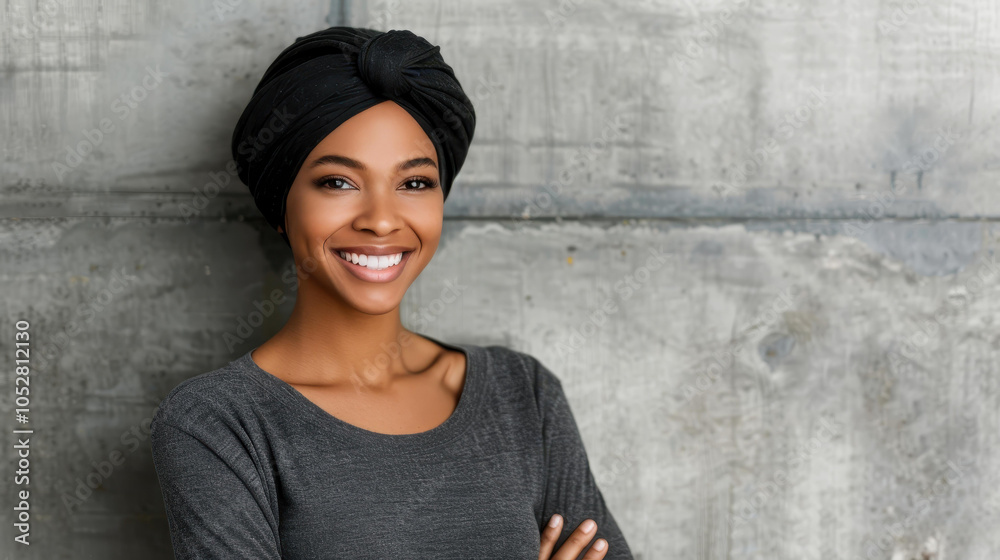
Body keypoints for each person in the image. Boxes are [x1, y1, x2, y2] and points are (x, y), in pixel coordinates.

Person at [149, 26, 634, 559]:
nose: (381, 220)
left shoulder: (524, 394)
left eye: (415, 183)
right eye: (338, 182)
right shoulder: (219, 423)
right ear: (281, 202)